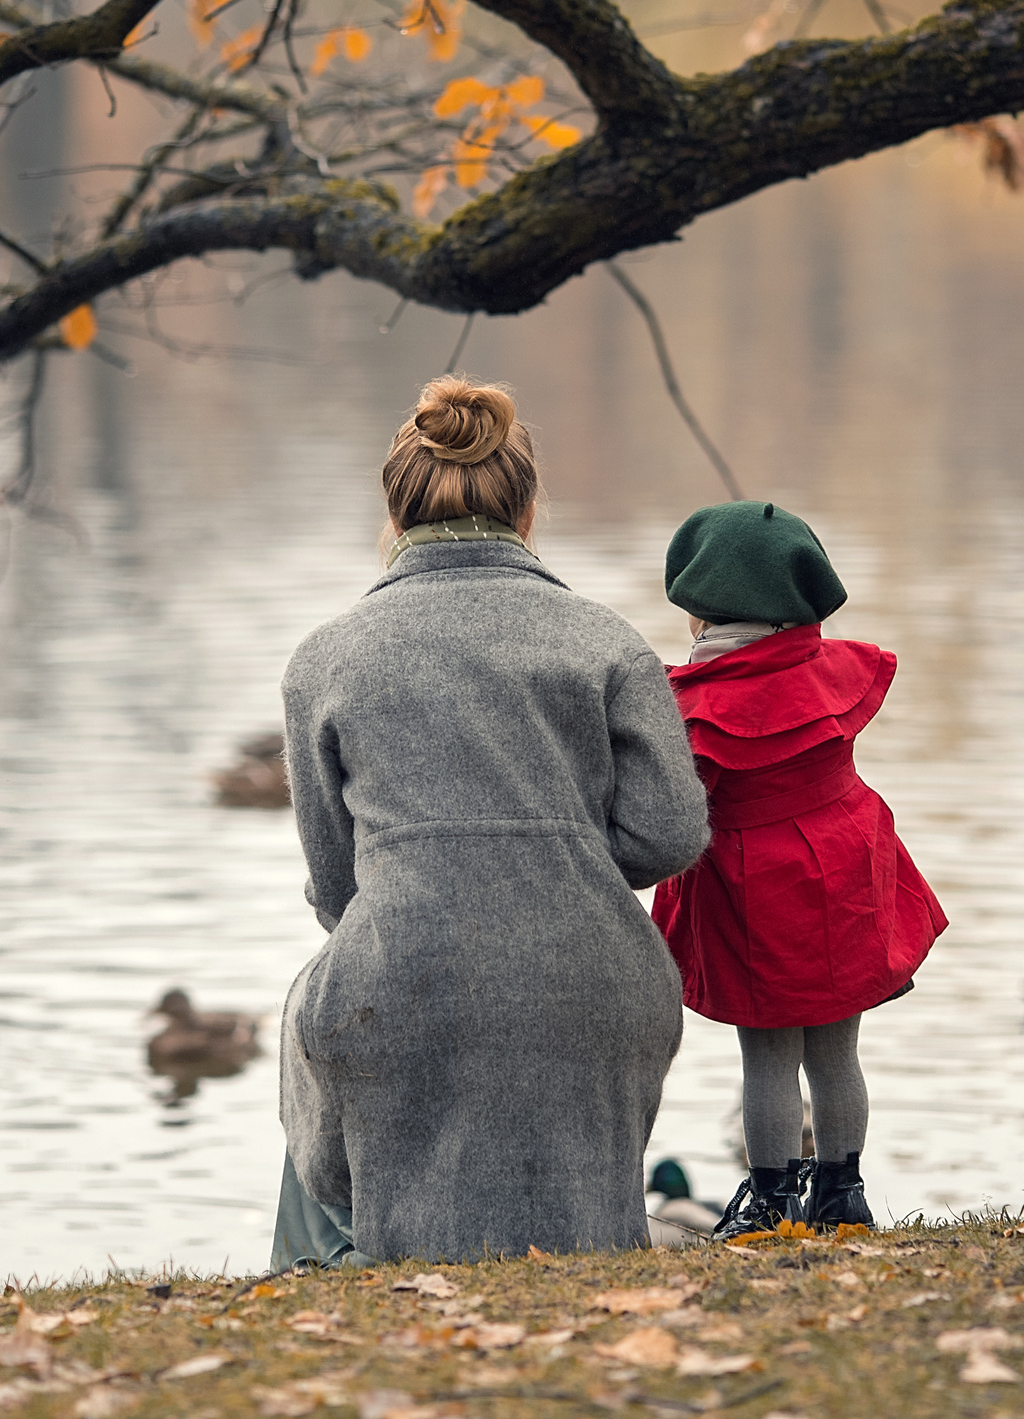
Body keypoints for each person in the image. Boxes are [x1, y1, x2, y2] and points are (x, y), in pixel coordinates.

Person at [272, 376, 711, 1267]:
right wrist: (559, 856)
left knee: (318, 1035)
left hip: (398, 984)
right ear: (529, 507)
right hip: (597, 987)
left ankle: (322, 1272)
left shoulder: (324, 659)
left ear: (393, 516)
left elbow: (335, 886)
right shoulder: (606, 641)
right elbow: (671, 833)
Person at [650, 500, 947, 1236]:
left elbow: (686, 807)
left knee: (769, 1054)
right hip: (845, 866)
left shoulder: (706, 705)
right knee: (838, 1049)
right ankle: (844, 1196)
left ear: (705, 612)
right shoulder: (831, 672)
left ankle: (773, 1201)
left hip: (760, 887)